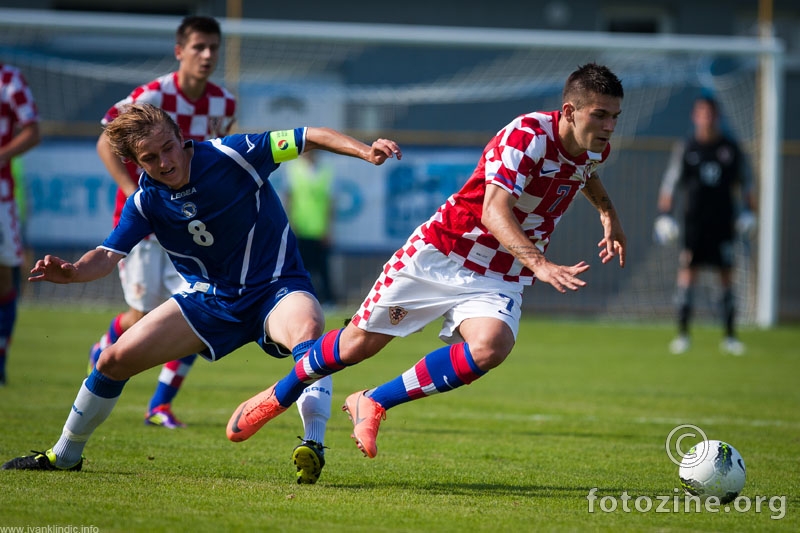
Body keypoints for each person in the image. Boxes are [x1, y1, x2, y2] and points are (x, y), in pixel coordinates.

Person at [222, 63, 627, 459]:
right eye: (601, 115)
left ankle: (373, 402)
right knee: (357, 346)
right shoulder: (528, 136)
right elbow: (493, 211)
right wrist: (541, 264)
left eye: (614, 117)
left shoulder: (594, 146)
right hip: (442, 253)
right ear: (570, 112)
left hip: (499, 272)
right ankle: (279, 394)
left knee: (491, 346)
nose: (609, 126)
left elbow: (585, 173)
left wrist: (608, 215)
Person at [1, 104, 402, 482]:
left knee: (307, 331)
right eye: (150, 159)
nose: (165, 163)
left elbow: (307, 135)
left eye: (168, 148)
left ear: (182, 138)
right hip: (211, 299)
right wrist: (73, 272)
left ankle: (313, 443)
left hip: (276, 286)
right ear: (135, 164)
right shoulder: (146, 202)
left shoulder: (234, 153)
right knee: (112, 359)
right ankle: (65, 455)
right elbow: (107, 255)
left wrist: (364, 151)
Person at [91, 16, 237, 429]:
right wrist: (135, 195)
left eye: (213, 48)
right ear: (180, 51)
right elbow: (106, 140)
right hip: (146, 225)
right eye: (198, 47)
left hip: (189, 223)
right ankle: (103, 350)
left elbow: (215, 159)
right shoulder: (151, 95)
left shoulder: (223, 103)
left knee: (196, 307)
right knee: (140, 314)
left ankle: (159, 405)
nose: (207, 55)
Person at [656, 96, 755, 356]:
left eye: (711, 113)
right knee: (688, 272)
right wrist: (664, 215)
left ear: (717, 116)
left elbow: (747, 184)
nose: (707, 118)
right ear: (695, 117)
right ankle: (682, 335)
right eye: (702, 113)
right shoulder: (687, 148)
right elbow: (669, 185)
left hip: (723, 223)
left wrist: (748, 212)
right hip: (694, 224)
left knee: (726, 276)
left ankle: (731, 337)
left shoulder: (731, 148)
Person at [0, 63, 40, 386]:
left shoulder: (9, 79)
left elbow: (32, 130)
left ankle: (0, 361)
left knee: (3, 279)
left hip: (1, 198)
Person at [285, 150, 336, 308]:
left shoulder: (326, 171)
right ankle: (303, 299)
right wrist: (291, 223)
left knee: (322, 267)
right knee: (301, 267)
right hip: (300, 227)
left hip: (318, 228)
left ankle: (328, 301)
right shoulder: (293, 169)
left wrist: (328, 228)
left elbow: (330, 202)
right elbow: (289, 198)